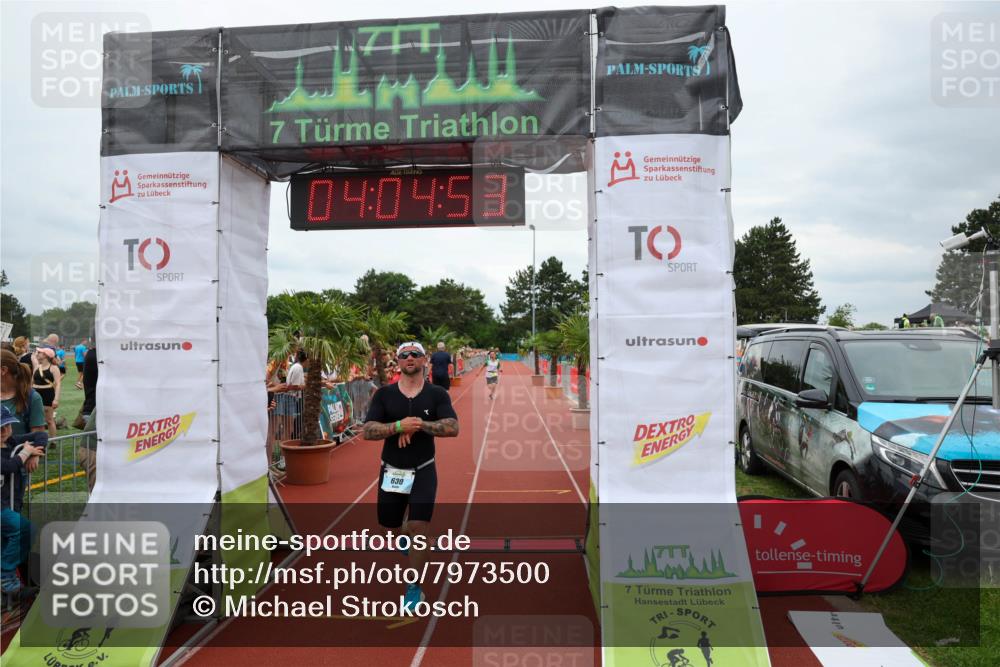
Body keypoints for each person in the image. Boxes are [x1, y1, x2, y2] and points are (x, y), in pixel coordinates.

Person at [362, 341, 459, 610]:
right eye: (404, 355)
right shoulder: (384, 395)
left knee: (419, 527)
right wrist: (397, 426)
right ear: (398, 361)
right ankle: (406, 536)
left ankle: (414, 587)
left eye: (415, 354)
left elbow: (453, 427)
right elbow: (367, 430)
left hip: (423, 469)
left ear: (425, 360)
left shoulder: (437, 394)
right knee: (389, 530)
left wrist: (418, 424)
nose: (410, 358)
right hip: (392, 470)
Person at [1, 406, 46, 595]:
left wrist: (35, 452)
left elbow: (40, 435)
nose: (4, 431)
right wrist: (25, 453)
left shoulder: (11, 442)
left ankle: (9, 586)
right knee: (25, 529)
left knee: (8, 539)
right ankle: (5, 574)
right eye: (0, 428)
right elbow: (8, 466)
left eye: (7, 425)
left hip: (9, 504)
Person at [32, 348, 61, 437]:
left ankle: (53, 441)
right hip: (35, 395)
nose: (37, 354)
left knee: (49, 420)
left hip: (47, 395)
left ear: (45, 355)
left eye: (39, 352)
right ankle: (39, 439)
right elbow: (31, 382)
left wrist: (56, 399)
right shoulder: (37, 367)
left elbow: (58, 384)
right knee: (36, 420)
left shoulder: (54, 368)